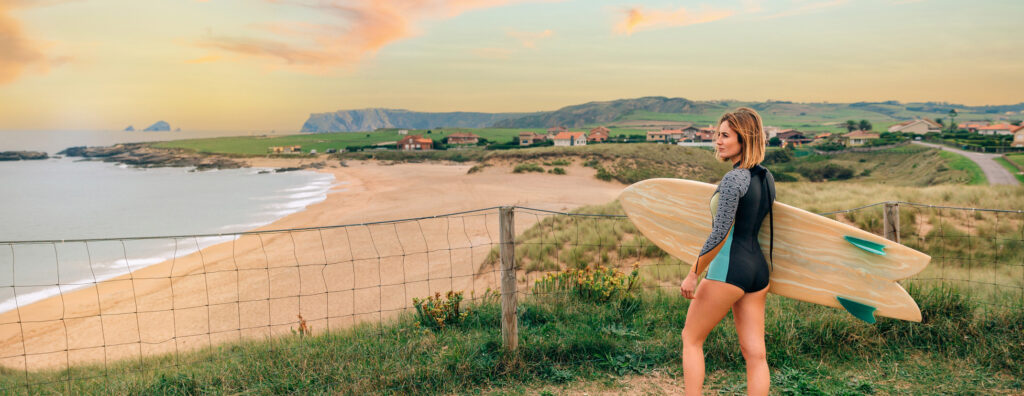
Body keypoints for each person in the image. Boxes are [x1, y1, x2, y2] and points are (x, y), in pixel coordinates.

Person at [679, 107, 776, 395]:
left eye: (724, 136)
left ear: (743, 139)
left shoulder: (734, 179)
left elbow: (720, 234)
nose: (717, 141)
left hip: (728, 270)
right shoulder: (766, 177)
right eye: (716, 135)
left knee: (691, 339)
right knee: (756, 355)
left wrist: (693, 274)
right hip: (758, 272)